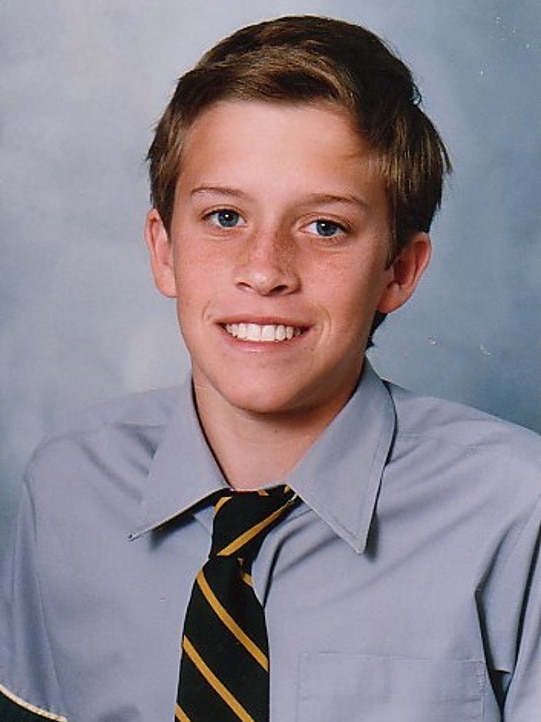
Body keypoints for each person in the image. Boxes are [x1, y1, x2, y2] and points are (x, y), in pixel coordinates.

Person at [1, 15, 540, 722]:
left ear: (398, 272)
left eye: (325, 227)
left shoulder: (515, 509)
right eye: (225, 218)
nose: (264, 271)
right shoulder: (69, 485)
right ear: (164, 250)